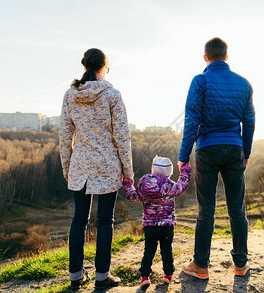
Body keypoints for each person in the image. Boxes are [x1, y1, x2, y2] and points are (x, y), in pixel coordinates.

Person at [178, 37, 255, 279]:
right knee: (237, 209)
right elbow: (250, 122)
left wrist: (184, 156)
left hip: (207, 150)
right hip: (234, 149)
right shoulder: (243, 83)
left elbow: (191, 120)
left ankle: (200, 266)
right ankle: (241, 265)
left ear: (205, 57)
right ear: (226, 56)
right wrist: (246, 153)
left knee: (206, 210)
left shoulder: (199, 81)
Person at [59, 48, 133, 290]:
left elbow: (64, 136)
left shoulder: (70, 95)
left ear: (85, 67)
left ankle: (75, 276)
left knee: (79, 219)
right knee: (105, 220)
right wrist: (128, 172)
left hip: (80, 164)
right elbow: (122, 137)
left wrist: (67, 167)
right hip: (107, 165)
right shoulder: (112, 94)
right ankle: (102, 277)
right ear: (104, 68)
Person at [123, 156, 191, 287]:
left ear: (153, 169)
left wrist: (127, 184)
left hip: (149, 226)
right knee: (166, 249)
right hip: (166, 225)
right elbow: (182, 186)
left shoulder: (143, 184)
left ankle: (144, 276)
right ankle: (168, 274)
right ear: (169, 172)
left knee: (149, 250)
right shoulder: (169, 185)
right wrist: (185, 170)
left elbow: (133, 197)